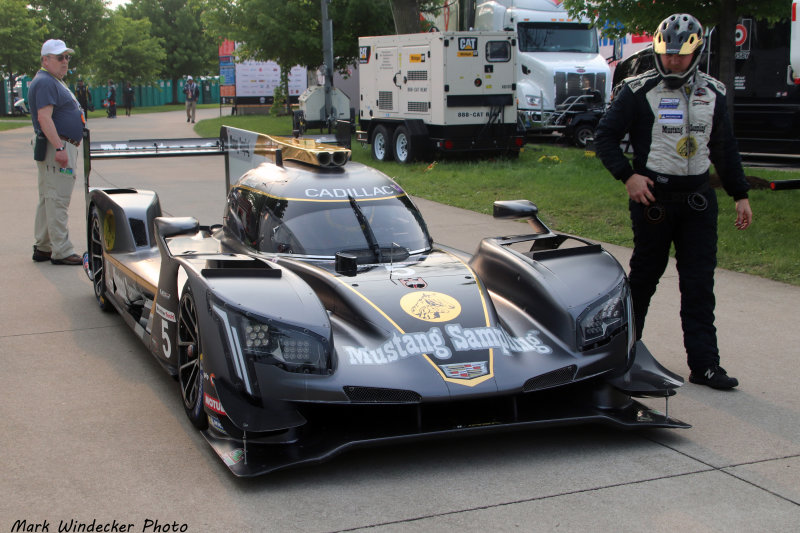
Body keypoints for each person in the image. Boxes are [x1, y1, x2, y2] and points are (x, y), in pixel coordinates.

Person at [594, 13, 753, 390]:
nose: (673, 61)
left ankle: (705, 365)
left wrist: (740, 194)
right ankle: (623, 357)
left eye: (681, 56)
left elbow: (725, 148)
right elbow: (604, 137)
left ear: (696, 52)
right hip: (654, 200)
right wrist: (628, 176)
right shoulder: (637, 89)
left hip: (698, 200)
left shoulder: (714, 92)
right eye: (667, 55)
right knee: (644, 280)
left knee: (699, 285)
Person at [27, 39, 85, 266]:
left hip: (59, 145)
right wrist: (60, 148)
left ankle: (44, 246)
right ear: (45, 60)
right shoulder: (45, 82)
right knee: (57, 198)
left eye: (67, 57)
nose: (65, 62)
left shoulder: (51, 81)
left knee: (48, 198)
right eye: (59, 57)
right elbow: (44, 117)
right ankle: (61, 250)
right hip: (57, 147)